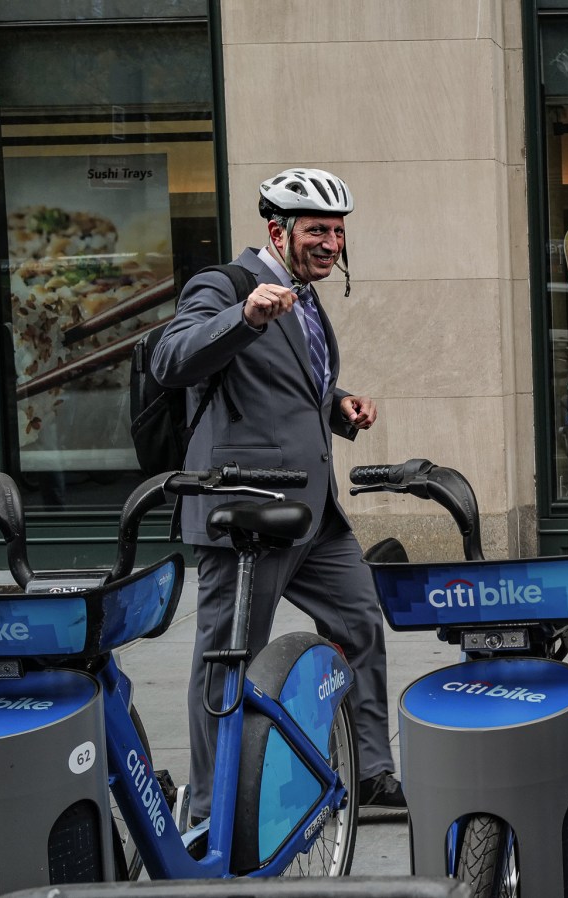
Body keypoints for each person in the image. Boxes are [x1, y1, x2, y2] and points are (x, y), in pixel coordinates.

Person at [150, 167, 406, 821]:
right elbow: (173, 358)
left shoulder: (306, 295)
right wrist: (244, 315)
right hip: (245, 515)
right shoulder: (225, 286)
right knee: (225, 658)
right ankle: (212, 807)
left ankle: (371, 772)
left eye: (339, 232)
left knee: (358, 625)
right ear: (277, 230)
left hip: (312, 515)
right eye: (318, 230)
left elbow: (294, 388)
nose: (332, 243)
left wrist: (338, 407)